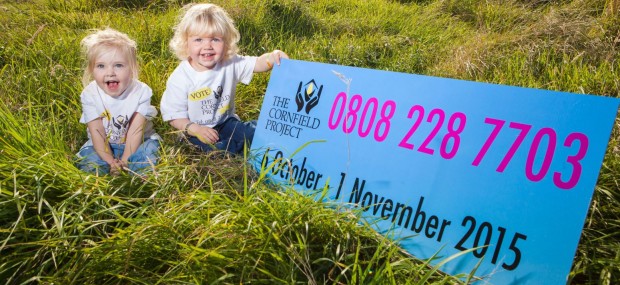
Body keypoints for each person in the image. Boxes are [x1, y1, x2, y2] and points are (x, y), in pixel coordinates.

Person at [160, 3, 289, 155]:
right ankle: (238, 149)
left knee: (256, 131)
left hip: (226, 122)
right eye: (198, 40)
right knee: (216, 151)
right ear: (185, 43)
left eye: (215, 39)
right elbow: (174, 116)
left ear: (226, 43)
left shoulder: (229, 64)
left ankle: (252, 143)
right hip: (195, 131)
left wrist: (273, 57)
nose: (207, 46)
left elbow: (258, 63)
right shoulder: (181, 77)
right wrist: (195, 129)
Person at [76, 28, 161, 175]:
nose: (110, 72)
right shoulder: (90, 94)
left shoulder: (140, 92)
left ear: (131, 68)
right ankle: (97, 180)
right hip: (101, 145)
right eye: (101, 66)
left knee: (147, 153)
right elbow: (97, 132)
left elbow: (136, 131)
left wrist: (126, 159)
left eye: (118, 65)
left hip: (139, 141)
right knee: (91, 161)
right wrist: (110, 161)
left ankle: (141, 179)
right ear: (92, 69)